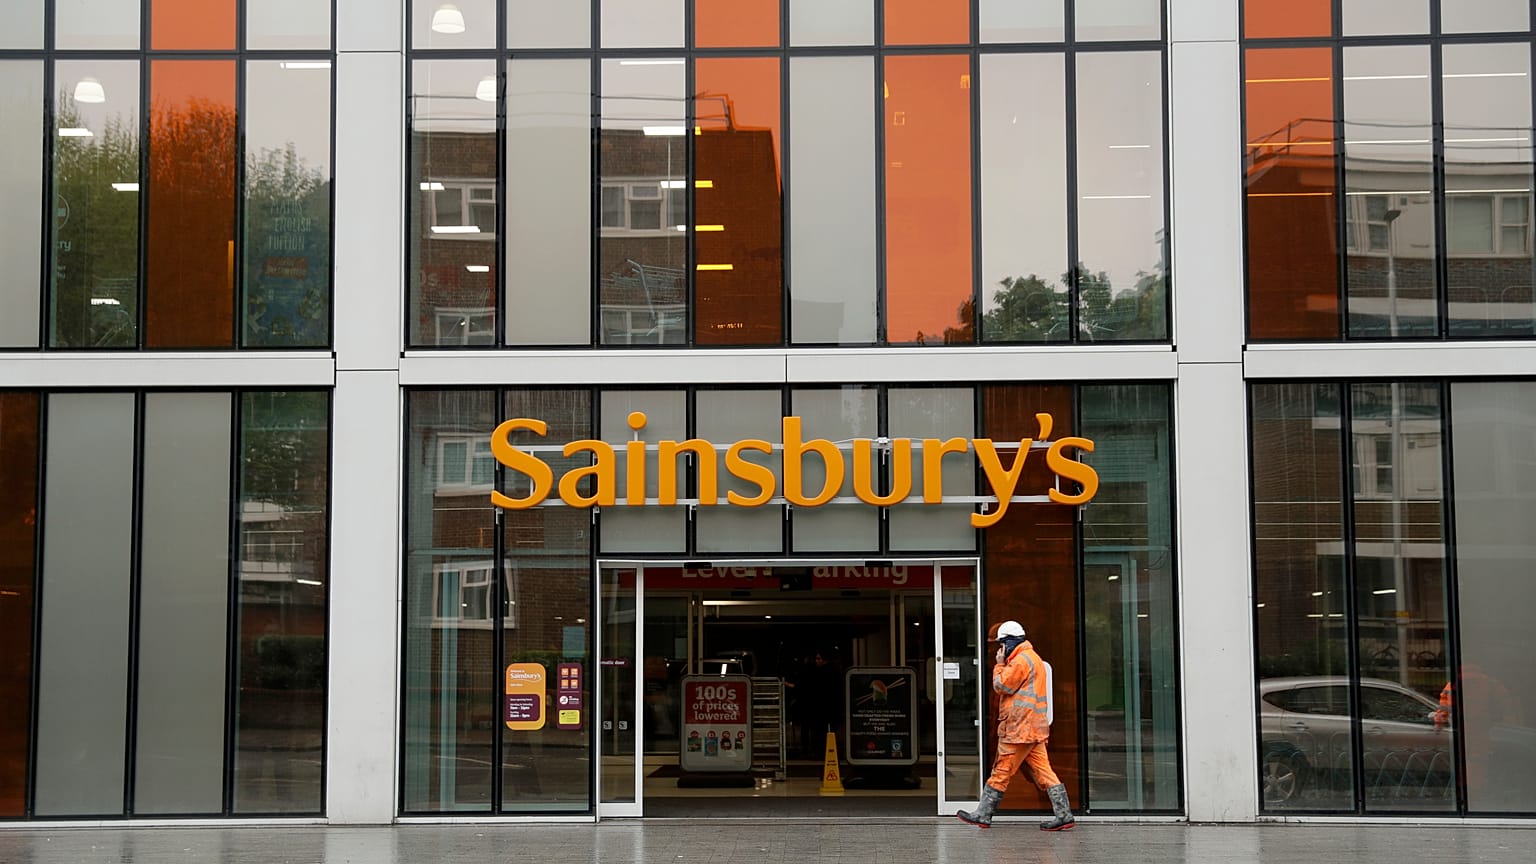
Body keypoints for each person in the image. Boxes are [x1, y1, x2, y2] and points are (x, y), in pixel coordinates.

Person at [957, 620, 1074, 831]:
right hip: (1032, 728)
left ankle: (983, 814)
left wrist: (1000, 664)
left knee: (1001, 769)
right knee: (1044, 771)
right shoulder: (1032, 658)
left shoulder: (1020, 661)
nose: (999, 649)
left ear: (1009, 643)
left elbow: (1001, 685)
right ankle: (1064, 815)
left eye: (1001, 645)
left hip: (1019, 729)